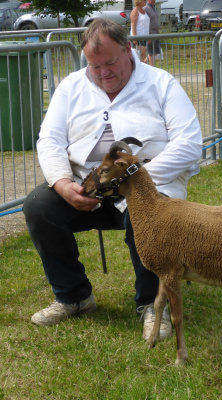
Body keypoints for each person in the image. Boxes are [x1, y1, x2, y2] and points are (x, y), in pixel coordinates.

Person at [23, 19, 202, 342]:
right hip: (86, 186)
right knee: (39, 207)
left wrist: (135, 181)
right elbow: (48, 139)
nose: (103, 73)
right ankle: (74, 297)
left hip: (149, 185)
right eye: (94, 66)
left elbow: (189, 143)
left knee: (144, 211)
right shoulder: (71, 87)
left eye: (110, 63)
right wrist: (63, 183)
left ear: (128, 48)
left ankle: (151, 304)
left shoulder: (162, 84)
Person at [144, 0, 161, 66]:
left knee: (155, 52)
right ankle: (152, 68)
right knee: (151, 53)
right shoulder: (146, 8)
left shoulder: (154, 7)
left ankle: (143, 63)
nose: (154, 0)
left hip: (156, 33)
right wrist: (148, 35)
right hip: (150, 33)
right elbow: (145, 22)